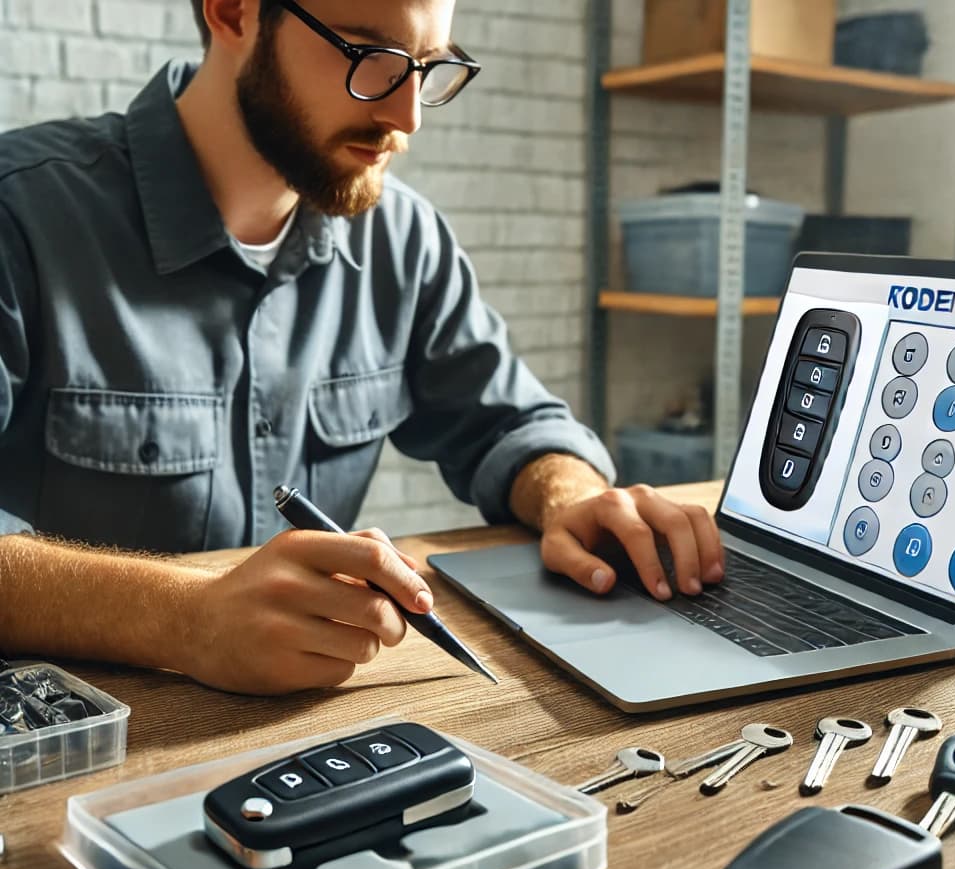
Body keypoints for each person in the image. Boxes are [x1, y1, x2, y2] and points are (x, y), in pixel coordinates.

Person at [0, 0, 724, 696]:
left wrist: (574, 498)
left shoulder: (403, 241)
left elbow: (511, 422)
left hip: (320, 735)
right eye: (370, 56)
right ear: (232, 11)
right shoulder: (22, 217)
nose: (404, 117)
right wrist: (183, 619)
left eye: (429, 66)